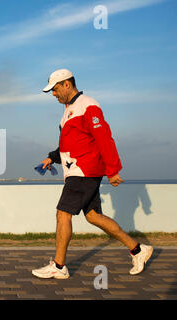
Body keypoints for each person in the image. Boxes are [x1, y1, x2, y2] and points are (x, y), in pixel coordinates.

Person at [32, 69, 153, 279]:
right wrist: (52, 157)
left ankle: (59, 266)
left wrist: (113, 170)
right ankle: (138, 250)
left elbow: (104, 137)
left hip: (84, 171)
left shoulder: (88, 105)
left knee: (63, 213)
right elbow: (71, 143)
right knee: (94, 216)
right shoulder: (69, 110)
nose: (53, 94)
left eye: (55, 89)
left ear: (67, 84)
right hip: (77, 170)